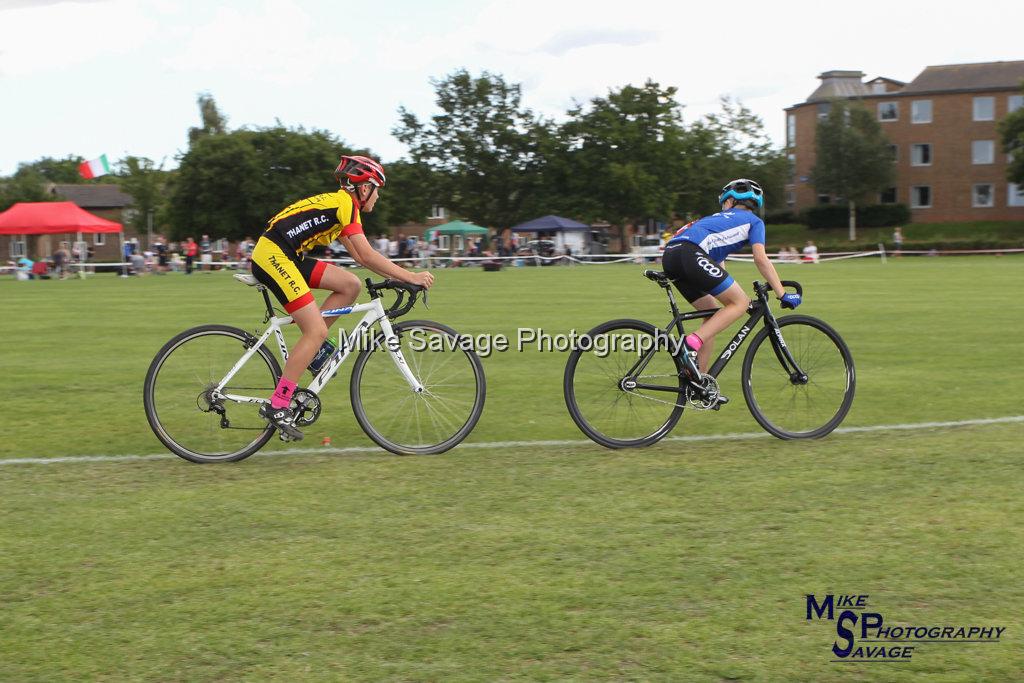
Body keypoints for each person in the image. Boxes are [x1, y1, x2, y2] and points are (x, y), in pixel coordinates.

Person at [250, 155, 434, 440]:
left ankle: (316, 350)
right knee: (315, 329)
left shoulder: (343, 207)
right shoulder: (345, 205)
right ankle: (278, 403)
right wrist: (410, 277)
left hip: (287, 255)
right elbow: (369, 255)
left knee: (349, 285)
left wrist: (397, 276)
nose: (378, 197)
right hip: (273, 256)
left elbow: (361, 257)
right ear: (364, 188)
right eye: (377, 189)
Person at [662, 179, 800, 409]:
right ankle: (689, 344)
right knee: (741, 302)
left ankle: (699, 384)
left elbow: (718, 270)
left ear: (729, 201)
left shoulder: (715, 221)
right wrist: (781, 293)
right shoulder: (754, 222)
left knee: (713, 315)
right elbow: (761, 258)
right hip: (690, 254)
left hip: (673, 254)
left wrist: (729, 299)